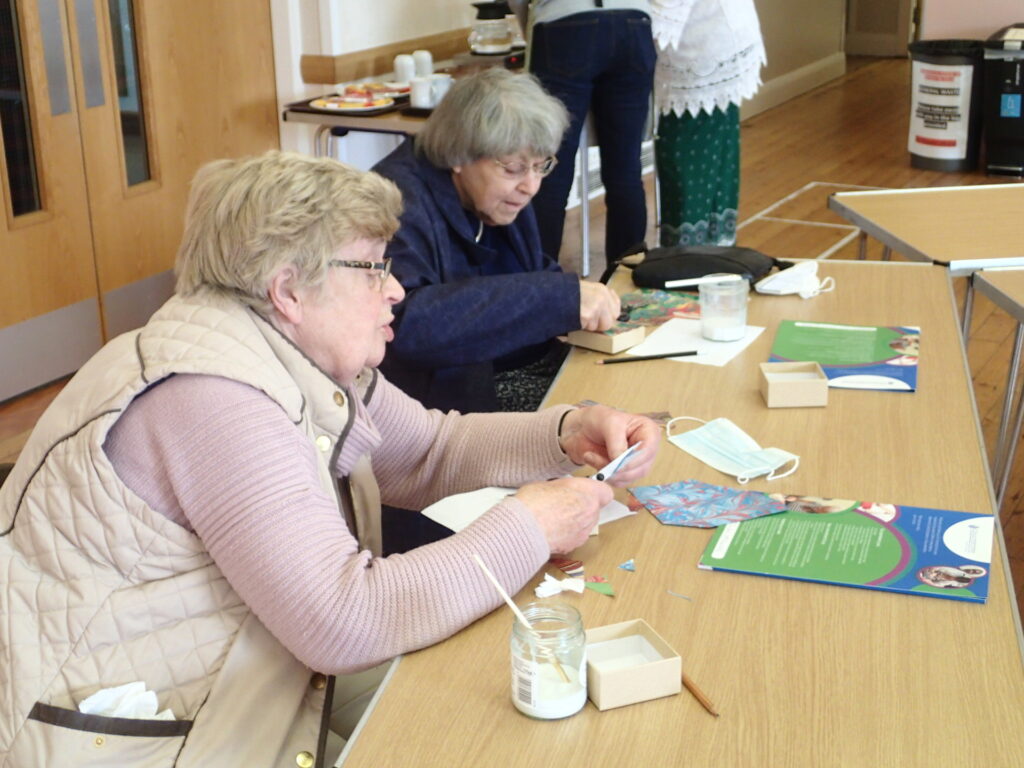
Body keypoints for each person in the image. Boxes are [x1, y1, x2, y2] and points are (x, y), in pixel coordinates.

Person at [0, 151, 660, 767]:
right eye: (374, 266)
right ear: (289, 289)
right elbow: (344, 621)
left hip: (240, 673)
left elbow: (428, 450)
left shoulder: (292, 351)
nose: (396, 290)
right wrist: (529, 526)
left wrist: (567, 431)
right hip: (132, 733)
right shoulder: (213, 399)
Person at [373, 67, 620, 414]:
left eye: (541, 166)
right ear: (459, 155)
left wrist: (580, 300)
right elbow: (405, 326)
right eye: (514, 168)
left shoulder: (495, 194)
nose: (531, 186)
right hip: (437, 412)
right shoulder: (394, 203)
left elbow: (525, 271)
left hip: (504, 370)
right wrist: (558, 299)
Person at [526, 0, 656, 263]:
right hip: (635, 22)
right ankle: (625, 281)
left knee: (552, 171)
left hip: (565, 22)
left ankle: (537, 280)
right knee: (626, 171)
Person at [650, 0, 765, 246]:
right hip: (715, 42)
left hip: (702, 50)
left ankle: (690, 260)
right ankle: (711, 257)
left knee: (690, 165)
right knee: (713, 163)